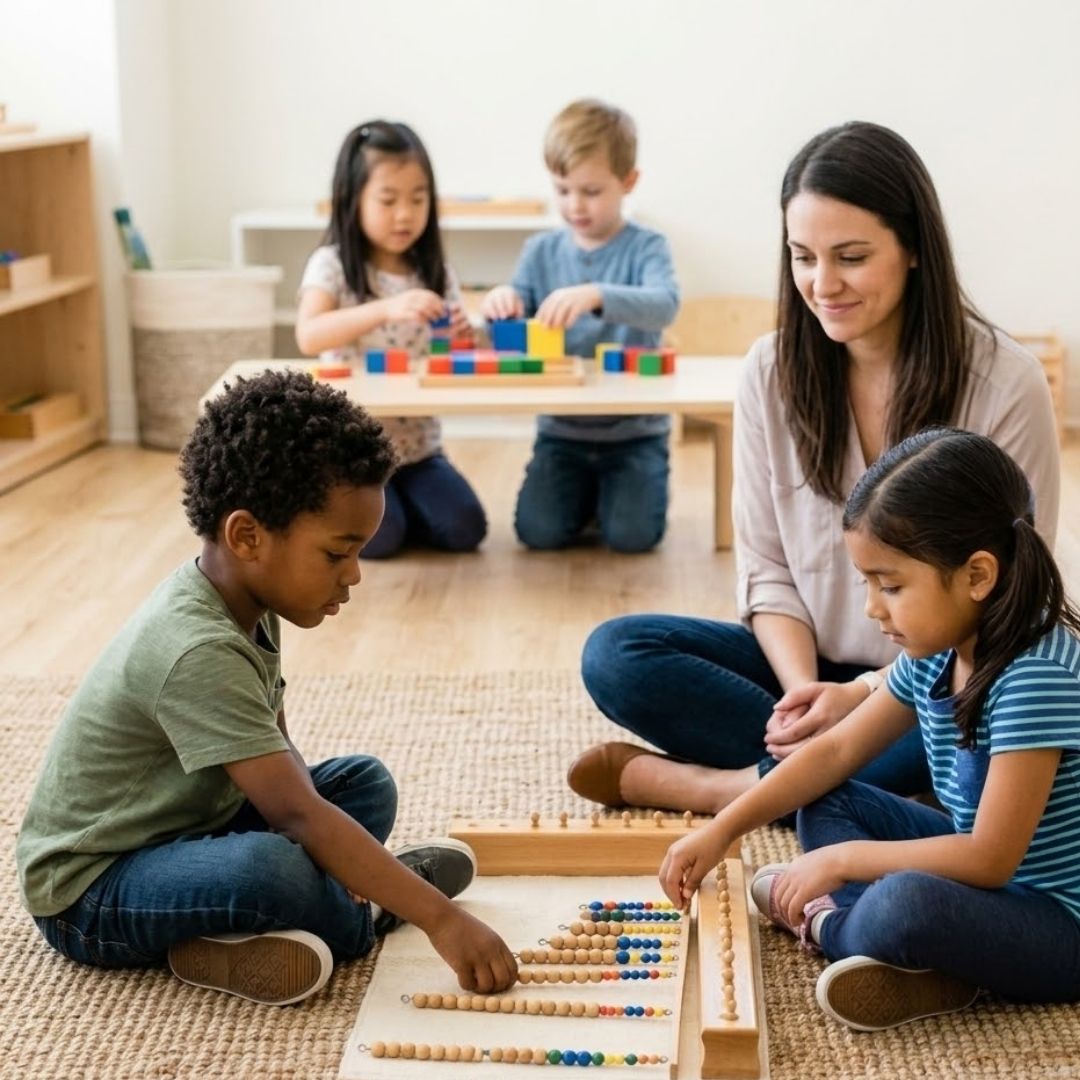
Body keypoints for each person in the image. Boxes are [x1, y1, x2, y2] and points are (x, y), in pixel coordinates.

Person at [572, 120, 1059, 814]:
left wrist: (862, 696)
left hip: (938, 675)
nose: (822, 284)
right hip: (797, 665)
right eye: (803, 257)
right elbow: (765, 568)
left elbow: (1012, 593)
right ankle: (830, 781)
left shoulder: (1005, 381)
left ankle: (728, 788)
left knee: (992, 712)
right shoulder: (770, 371)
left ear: (915, 247)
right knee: (617, 653)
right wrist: (805, 695)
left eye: (851, 257)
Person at [16, 370, 516, 1006]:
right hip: (92, 891)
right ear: (247, 536)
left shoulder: (247, 597)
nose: (355, 575)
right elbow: (293, 814)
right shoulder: (196, 648)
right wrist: (439, 919)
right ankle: (360, 916)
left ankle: (268, 917)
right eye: (337, 554)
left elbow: (285, 769)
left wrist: (327, 840)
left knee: (363, 783)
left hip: (191, 826)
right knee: (272, 867)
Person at [659, 428, 1080, 1031]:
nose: (872, 608)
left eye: (891, 585)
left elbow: (990, 859)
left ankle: (829, 924)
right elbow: (834, 751)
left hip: (1059, 921)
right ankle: (922, 964)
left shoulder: (1036, 677)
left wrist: (844, 862)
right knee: (822, 798)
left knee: (904, 901)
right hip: (990, 885)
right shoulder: (938, 649)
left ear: (978, 576)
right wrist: (723, 829)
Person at [480, 98, 680, 553]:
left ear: (629, 182)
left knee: (632, 539)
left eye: (591, 191)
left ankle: (616, 496)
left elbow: (665, 305)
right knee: (538, 533)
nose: (575, 205)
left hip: (635, 434)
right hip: (562, 435)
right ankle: (589, 498)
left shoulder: (647, 246)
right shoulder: (540, 251)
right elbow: (514, 320)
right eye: (563, 189)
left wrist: (595, 294)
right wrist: (501, 301)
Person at [296, 120, 487, 559]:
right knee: (382, 539)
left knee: (465, 529)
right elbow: (309, 334)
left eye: (418, 199)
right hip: (351, 456)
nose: (405, 214)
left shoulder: (434, 271)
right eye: (388, 200)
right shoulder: (333, 265)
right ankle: (365, 508)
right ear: (353, 199)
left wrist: (465, 336)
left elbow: (460, 348)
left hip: (418, 450)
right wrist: (384, 308)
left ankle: (401, 506)